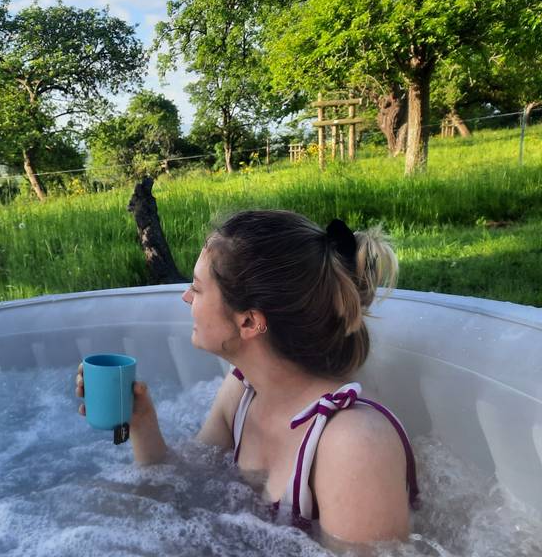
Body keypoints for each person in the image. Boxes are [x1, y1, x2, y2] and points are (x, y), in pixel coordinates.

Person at [75, 210, 419, 544]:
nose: (185, 297)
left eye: (197, 288)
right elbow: (187, 482)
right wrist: (141, 423)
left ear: (250, 322)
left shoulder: (353, 442)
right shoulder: (243, 389)